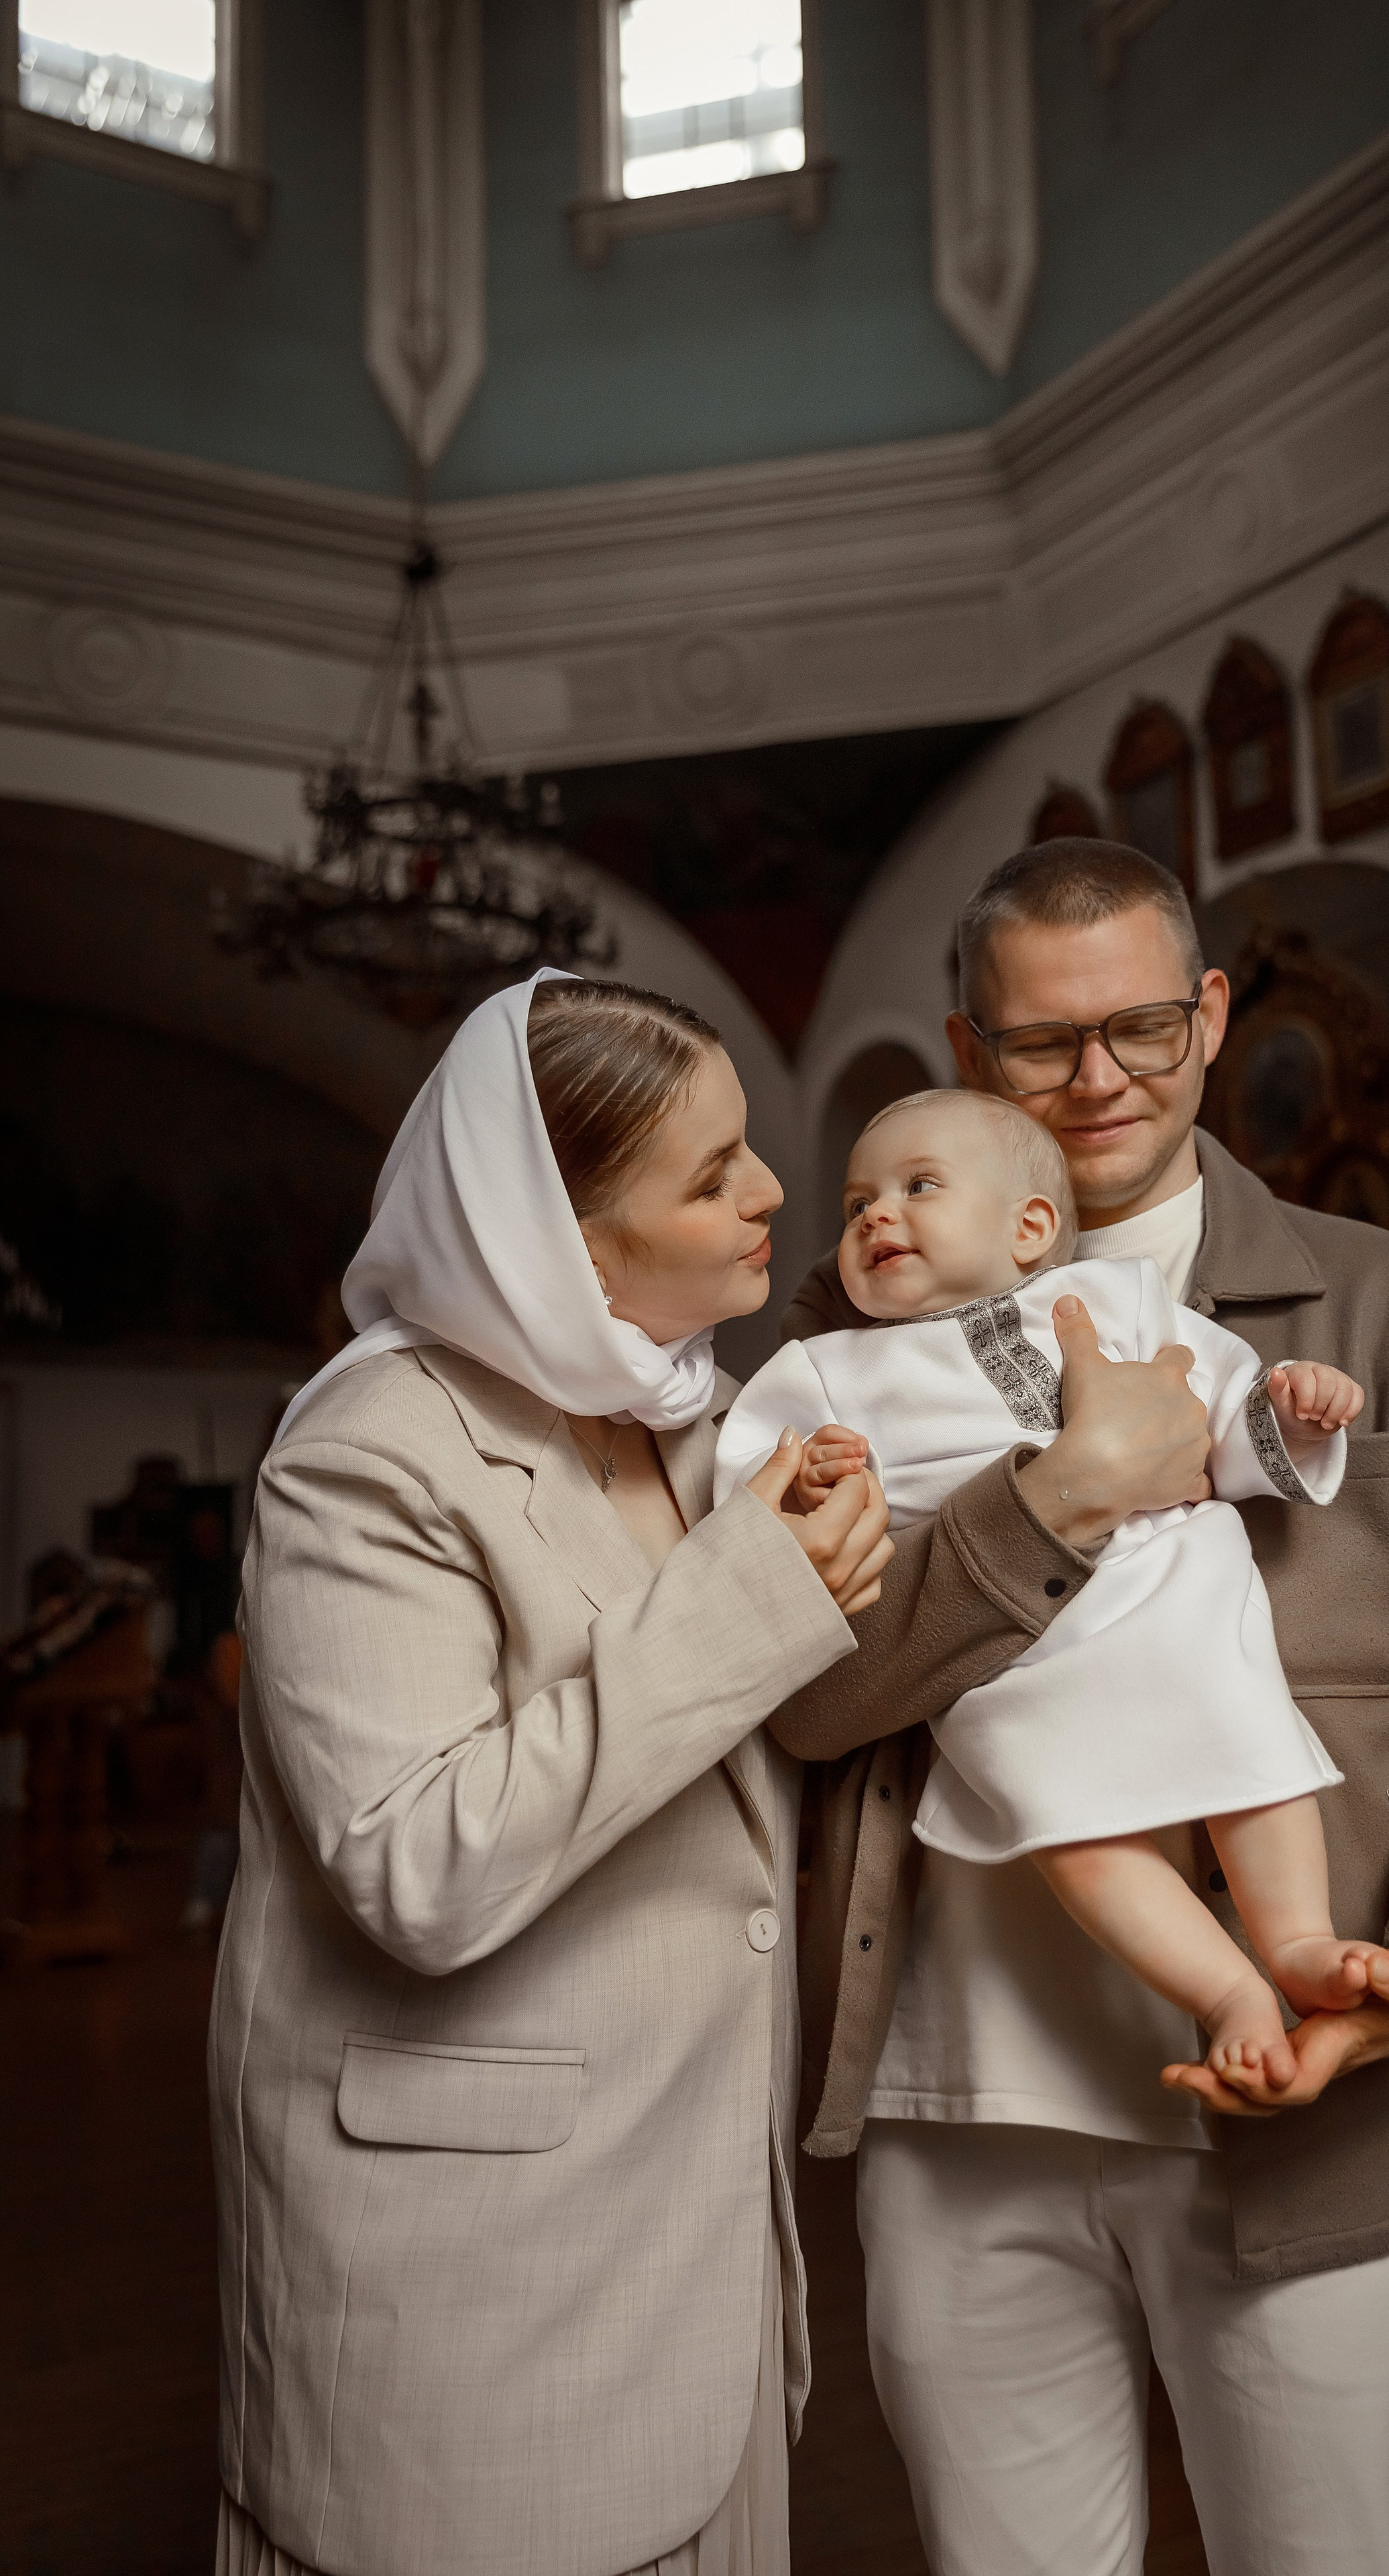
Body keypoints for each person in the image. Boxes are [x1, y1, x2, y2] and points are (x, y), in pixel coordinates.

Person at [207, 963, 1207, 2576]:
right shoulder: (367, 1453)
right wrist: (760, 1596)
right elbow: (415, 1864)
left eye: (750, 1147)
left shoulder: (710, 1419)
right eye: (710, 1174)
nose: (773, 1195)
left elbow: (841, 1706)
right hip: (477, 2282)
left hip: (692, 2258)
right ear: (569, 1241)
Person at [772, 841, 1389, 2576]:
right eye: (1039, 1046)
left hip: (1316, 2103)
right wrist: (1061, 1499)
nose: (1098, 1083)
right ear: (964, 1045)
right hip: (960, 2111)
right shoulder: (845, 1331)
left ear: (1214, 1016)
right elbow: (804, 1705)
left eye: (1144, 1028)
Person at [716, 1086, 1389, 2098]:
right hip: (1013, 1650)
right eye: (857, 1202)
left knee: (1256, 1755)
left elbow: (1218, 1401)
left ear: (1031, 1227)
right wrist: (809, 1475)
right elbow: (751, 1491)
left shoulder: (1118, 1301)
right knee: (1072, 1828)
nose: (873, 1216)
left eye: (918, 1188)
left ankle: (1299, 1940)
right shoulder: (827, 1371)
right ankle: (1228, 1993)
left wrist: (1293, 1411)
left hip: (1175, 1592)